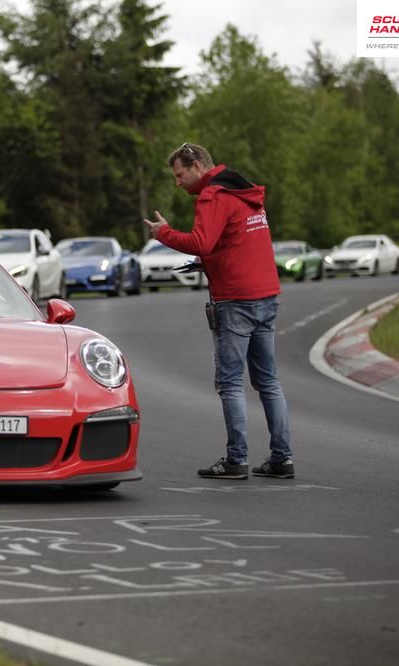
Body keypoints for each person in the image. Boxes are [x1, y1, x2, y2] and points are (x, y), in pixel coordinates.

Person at [144, 142, 294, 480]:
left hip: (236, 300)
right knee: (268, 381)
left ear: (197, 166)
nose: (178, 183)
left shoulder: (212, 196)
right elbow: (231, 242)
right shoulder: (245, 192)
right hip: (266, 294)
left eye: (180, 175)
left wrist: (163, 234)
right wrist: (208, 262)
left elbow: (202, 242)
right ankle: (282, 458)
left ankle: (236, 459)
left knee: (230, 382)